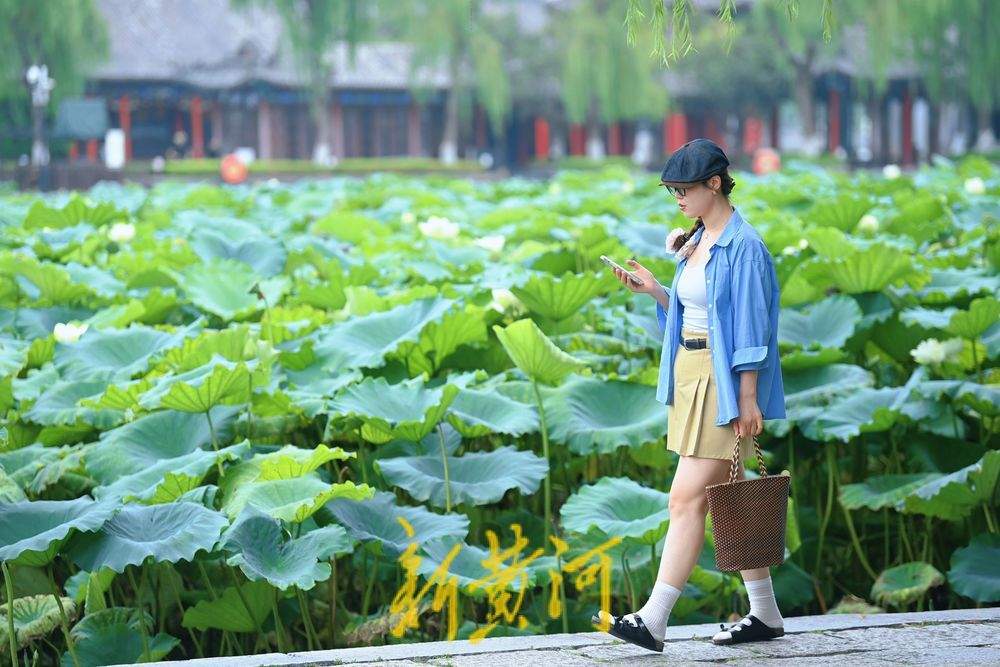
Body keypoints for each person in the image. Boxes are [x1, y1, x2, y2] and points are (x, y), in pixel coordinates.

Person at [592, 138, 787, 652]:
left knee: (686, 498)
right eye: (672, 189)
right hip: (690, 371)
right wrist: (655, 289)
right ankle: (765, 614)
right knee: (730, 498)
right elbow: (692, 314)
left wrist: (748, 398)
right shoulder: (699, 238)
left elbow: (750, 328)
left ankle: (653, 620)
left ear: (714, 184)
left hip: (723, 381)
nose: (676, 197)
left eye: (684, 188)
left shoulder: (743, 246)